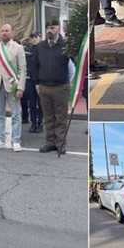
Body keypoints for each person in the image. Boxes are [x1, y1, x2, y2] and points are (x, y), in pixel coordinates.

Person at [32, 20, 73, 154]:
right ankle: (49, 142)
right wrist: (36, 83)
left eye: (52, 28)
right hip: (44, 87)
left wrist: (70, 82)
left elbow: (74, 64)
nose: (49, 30)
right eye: (48, 28)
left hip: (61, 87)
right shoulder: (40, 46)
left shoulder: (66, 45)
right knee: (48, 117)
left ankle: (60, 143)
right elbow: (35, 66)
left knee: (60, 117)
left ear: (58, 29)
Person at [0, 24, 26, 152]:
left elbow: (23, 69)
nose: (4, 33)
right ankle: (0, 139)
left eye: (7, 30)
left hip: (12, 85)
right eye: (2, 30)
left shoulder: (18, 48)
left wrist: (21, 87)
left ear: (12, 32)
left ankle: (16, 140)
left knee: (16, 113)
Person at [22, 31, 43, 133]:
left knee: (40, 103)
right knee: (32, 103)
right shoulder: (27, 50)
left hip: (40, 81)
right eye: (32, 37)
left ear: (40, 37)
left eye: (36, 37)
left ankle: (40, 123)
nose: (34, 39)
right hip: (29, 79)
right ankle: (33, 123)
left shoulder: (43, 49)